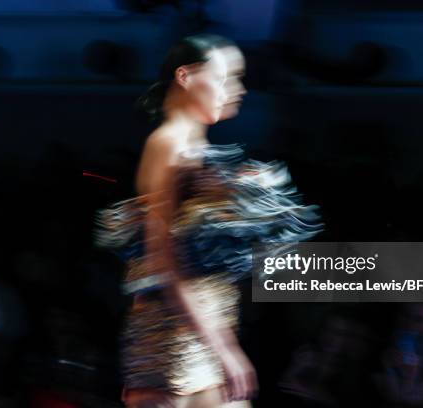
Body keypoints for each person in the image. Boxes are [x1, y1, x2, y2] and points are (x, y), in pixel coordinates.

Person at [95, 34, 322, 408]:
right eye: (226, 77)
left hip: (206, 326)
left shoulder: (194, 150)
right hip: (171, 338)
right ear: (185, 76)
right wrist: (226, 350)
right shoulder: (170, 143)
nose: (238, 89)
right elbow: (163, 261)